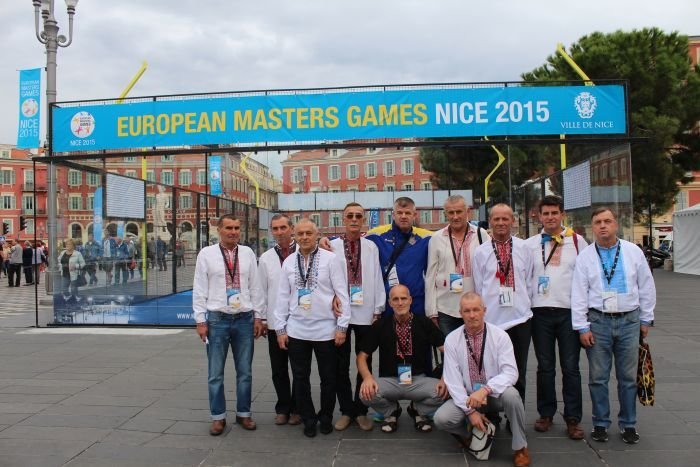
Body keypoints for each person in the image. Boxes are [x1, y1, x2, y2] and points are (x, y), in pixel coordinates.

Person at [571, 207, 656, 444]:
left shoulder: (633, 252)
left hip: (629, 320)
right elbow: (579, 293)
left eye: (607, 221)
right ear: (593, 227)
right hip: (598, 321)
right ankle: (600, 423)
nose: (603, 226)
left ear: (615, 224)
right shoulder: (586, 256)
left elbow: (646, 285)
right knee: (598, 377)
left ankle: (628, 424)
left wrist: (646, 319)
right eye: (598, 222)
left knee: (627, 377)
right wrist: (582, 327)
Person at [433, 292, 530, 467]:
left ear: (484, 310)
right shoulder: (452, 339)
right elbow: (453, 381)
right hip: (468, 398)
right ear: (460, 313)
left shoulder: (500, 336)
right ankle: (469, 434)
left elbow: (511, 373)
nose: (472, 315)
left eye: (476, 310)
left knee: (513, 396)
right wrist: (470, 412)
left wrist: (486, 389)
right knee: (441, 418)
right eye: (467, 311)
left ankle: (520, 447)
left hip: (493, 395)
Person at [274, 219, 350, 438]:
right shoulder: (289, 262)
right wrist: (280, 329)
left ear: (317, 234)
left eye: (309, 233)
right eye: (300, 233)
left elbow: (342, 293)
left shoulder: (331, 259)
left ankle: (325, 416)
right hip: (297, 330)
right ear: (295, 236)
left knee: (328, 378)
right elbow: (282, 297)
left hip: (326, 330)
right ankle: (308, 418)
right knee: (300, 378)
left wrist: (342, 326)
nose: (305, 237)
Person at [193, 214, 265, 435]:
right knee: (215, 373)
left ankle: (244, 413)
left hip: (244, 318)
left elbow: (255, 286)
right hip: (218, 319)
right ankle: (218, 417)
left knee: (245, 372)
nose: (233, 232)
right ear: (219, 230)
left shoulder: (248, 253)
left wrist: (259, 316)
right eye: (229, 228)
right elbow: (200, 288)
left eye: (236, 228)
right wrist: (200, 320)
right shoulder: (206, 254)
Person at [524, 195, 587, 439]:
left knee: (571, 367)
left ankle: (573, 418)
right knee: (545, 367)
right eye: (546, 213)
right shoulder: (530, 244)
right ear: (539, 217)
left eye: (554, 213)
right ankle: (546, 413)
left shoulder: (577, 241)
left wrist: (584, 315)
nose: (550, 217)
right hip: (540, 313)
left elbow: (585, 278)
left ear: (562, 214)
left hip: (568, 312)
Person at [357, 284, 447, 433]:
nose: (400, 303)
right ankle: (392, 411)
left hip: (418, 380)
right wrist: (367, 378)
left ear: (410, 300)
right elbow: (361, 356)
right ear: (390, 302)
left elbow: (448, 352)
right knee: (364, 394)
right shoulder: (381, 325)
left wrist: (444, 378)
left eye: (404, 298)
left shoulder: (424, 322)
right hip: (391, 380)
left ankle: (417, 410)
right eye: (395, 299)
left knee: (448, 391)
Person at [331, 203, 386, 432]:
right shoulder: (332, 246)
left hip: (366, 312)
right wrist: (331, 298)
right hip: (341, 314)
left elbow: (378, 276)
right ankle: (346, 410)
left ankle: (361, 410)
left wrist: (378, 308)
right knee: (340, 365)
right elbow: (325, 277)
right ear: (343, 219)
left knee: (365, 362)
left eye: (358, 216)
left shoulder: (371, 246)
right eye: (350, 216)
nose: (354, 219)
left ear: (363, 220)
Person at [472, 203, 533, 405]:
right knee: (490, 370)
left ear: (512, 221)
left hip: (520, 319)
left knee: (519, 370)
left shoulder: (524, 248)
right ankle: (493, 415)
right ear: (490, 221)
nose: (500, 223)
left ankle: (516, 413)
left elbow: (529, 281)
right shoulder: (481, 252)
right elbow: (478, 286)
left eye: (505, 218)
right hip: (492, 322)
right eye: (496, 219)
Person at [258, 214, 301, 426]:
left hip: (300, 322)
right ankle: (283, 407)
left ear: (291, 228)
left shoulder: (304, 252)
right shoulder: (266, 258)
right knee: (279, 369)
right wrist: (262, 319)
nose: (280, 232)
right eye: (275, 228)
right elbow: (262, 291)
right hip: (276, 323)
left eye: (283, 227)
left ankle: (298, 408)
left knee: (299, 369)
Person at [426, 195, 489, 335]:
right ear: (446, 214)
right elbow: (431, 276)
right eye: (451, 212)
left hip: (475, 309)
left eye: (459, 212)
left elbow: (489, 271)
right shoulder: (437, 238)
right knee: (449, 348)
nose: (455, 217)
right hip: (446, 309)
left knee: (476, 347)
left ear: (468, 212)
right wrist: (431, 311)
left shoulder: (481, 235)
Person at [365, 197, 432, 316]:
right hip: (389, 305)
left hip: (416, 304)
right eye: (399, 213)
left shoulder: (425, 238)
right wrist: (329, 242)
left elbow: (449, 237)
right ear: (393, 215)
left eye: (407, 213)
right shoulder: (377, 236)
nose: (403, 216)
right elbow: (352, 240)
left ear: (414, 215)